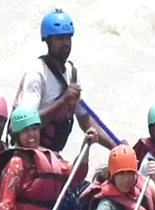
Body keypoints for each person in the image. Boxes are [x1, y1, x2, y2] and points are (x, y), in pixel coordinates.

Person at [11, 8, 118, 153]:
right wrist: (64, 101)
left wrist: (116, 146)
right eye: (60, 39)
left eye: (68, 38)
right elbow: (26, 125)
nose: (66, 43)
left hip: (53, 154)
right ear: (48, 41)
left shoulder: (72, 74)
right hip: (29, 154)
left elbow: (85, 118)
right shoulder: (37, 73)